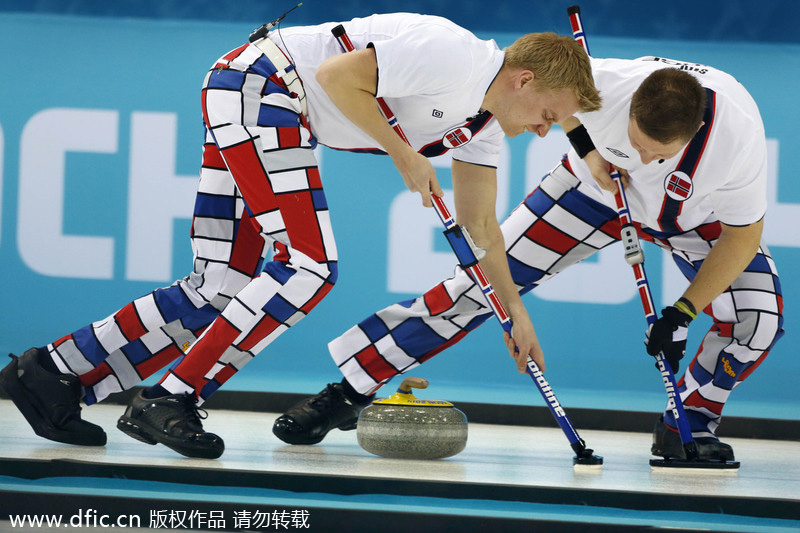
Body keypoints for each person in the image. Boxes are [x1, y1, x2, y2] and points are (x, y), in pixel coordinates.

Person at [0, 13, 600, 459]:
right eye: (552, 114)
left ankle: (54, 373)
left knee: (222, 286)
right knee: (308, 267)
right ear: (524, 80)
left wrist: (515, 310)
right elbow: (338, 76)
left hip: (263, 102)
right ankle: (173, 397)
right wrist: (400, 154)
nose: (548, 131)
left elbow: (483, 229)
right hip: (260, 86)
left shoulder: (484, 129)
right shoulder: (454, 55)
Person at [273, 55, 784, 464]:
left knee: (757, 320)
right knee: (481, 286)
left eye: (657, 154)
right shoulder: (601, 81)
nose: (644, 160)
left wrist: (683, 312)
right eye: (635, 144)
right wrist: (589, 152)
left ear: (693, 133)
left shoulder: (737, 139)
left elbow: (742, 238)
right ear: (625, 107)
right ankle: (347, 391)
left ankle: (687, 425)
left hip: (702, 220)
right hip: (593, 195)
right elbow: (549, 102)